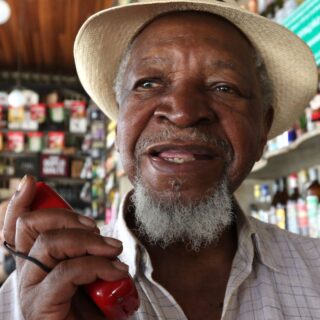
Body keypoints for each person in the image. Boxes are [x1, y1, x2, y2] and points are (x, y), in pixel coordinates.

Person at [0, 0, 319, 319]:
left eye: (224, 87)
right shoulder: (29, 302)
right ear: (120, 120)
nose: (183, 112)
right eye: (149, 83)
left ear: (262, 130)